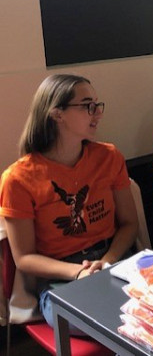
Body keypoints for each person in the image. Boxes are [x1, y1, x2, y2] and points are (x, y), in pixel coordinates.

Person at [0, 74, 138, 333]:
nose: (97, 113)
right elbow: (25, 259)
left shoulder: (108, 156)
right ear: (57, 114)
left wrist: (106, 263)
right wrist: (79, 272)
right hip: (61, 277)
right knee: (115, 320)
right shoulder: (18, 178)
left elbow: (129, 224)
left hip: (114, 260)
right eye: (87, 106)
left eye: (98, 105)